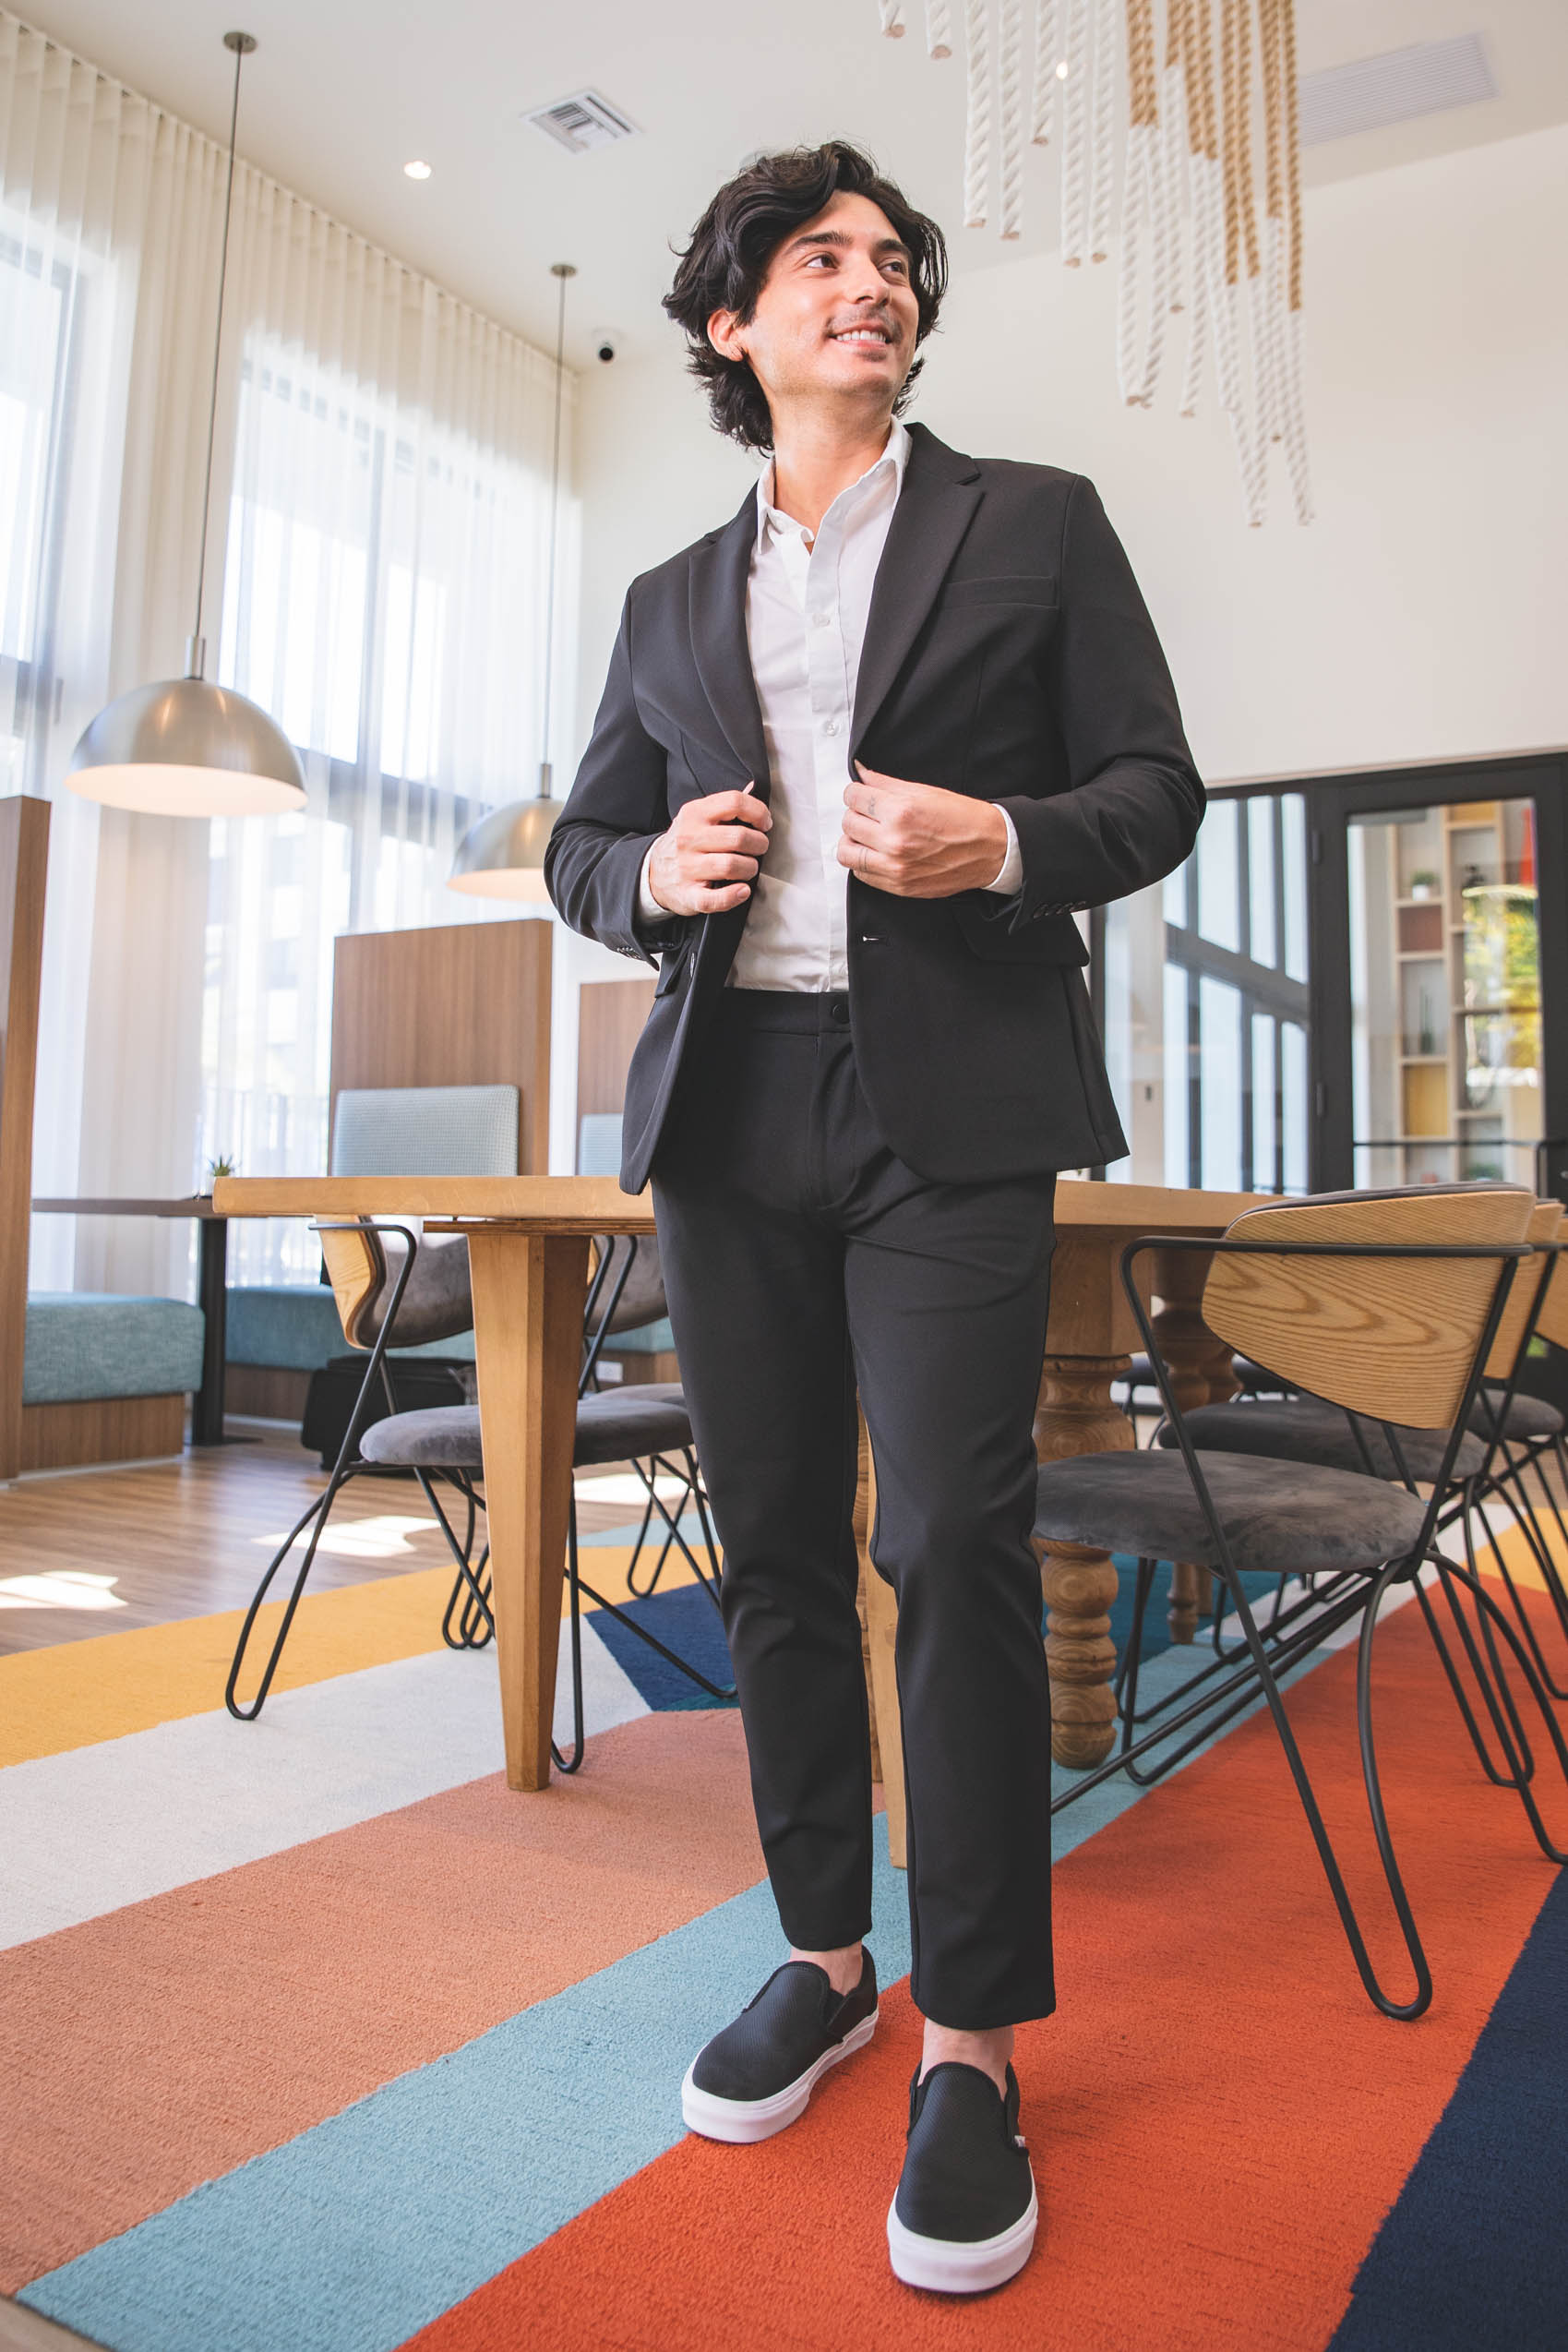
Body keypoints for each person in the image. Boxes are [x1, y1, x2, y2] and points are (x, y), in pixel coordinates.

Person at [545, 139, 1203, 2297]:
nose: (873, 280)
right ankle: (826, 1954)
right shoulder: (668, 598)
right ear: (731, 323)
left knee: (951, 1536)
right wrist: (650, 873)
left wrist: (996, 839)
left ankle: (975, 2040)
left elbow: (1153, 789)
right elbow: (582, 843)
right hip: (729, 1105)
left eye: (892, 257)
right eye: (818, 259)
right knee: (769, 1548)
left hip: (953, 1102)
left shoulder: (1035, 522)